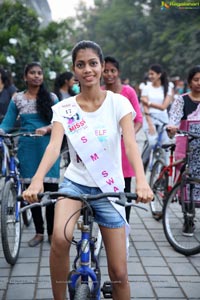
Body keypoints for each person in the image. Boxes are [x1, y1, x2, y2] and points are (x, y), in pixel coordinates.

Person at [22, 40, 153, 300]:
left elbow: (129, 145)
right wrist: (37, 181)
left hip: (109, 187)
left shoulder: (119, 103)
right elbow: (54, 146)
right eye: (81, 65)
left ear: (103, 67)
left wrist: (141, 182)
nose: (88, 69)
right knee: (60, 238)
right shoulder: (64, 108)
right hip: (75, 183)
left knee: (119, 273)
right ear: (74, 70)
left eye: (93, 63)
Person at [0, 62, 60, 247]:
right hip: (26, 148)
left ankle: (51, 232)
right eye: (32, 73)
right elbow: (8, 123)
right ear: (25, 77)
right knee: (31, 193)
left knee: (50, 194)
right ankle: (39, 232)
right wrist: (1, 130)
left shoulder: (51, 98)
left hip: (48, 147)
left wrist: (47, 128)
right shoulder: (17, 98)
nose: (36, 76)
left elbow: (60, 123)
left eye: (39, 73)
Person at [102, 55, 143, 223]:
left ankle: (124, 228)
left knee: (124, 192)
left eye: (113, 70)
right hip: (105, 148)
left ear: (118, 72)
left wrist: (128, 134)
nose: (109, 74)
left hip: (125, 149)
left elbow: (138, 120)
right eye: (106, 71)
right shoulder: (100, 93)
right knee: (105, 190)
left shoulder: (128, 92)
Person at [167, 65, 200, 236]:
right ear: (189, 82)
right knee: (185, 182)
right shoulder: (182, 99)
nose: (199, 83)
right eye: (196, 80)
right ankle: (188, 218)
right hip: (186, 144)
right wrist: (172, 127)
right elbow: (174, 117)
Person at [140, 64, 173, 165]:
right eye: (149, 74)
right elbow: (145, 107)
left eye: (152, 74)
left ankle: (165, 171)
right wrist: (149, 123)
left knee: (165, 145)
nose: (150, 76)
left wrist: (149, 103)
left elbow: (164, 106)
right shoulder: (146, 87)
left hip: (163, 118)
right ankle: (142, 163)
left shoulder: (168, 87)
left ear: (159, 75)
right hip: (149, 117)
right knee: (152, 143)